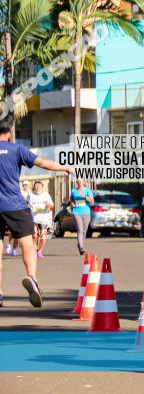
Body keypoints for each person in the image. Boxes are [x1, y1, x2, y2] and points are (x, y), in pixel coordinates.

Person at [0, 117, 74, 307]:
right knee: (28, 243)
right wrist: (65, 167)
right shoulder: (17, 149)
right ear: (10, 131)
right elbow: (45, 164)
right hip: (14, 206)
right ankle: (32, 277)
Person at [28, 180, 54, 259]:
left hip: (44, 218)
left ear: (42, 187)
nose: (38, 187)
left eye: (39, 185)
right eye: (36, 185)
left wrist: (48, 205)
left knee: (43, 236)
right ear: (34, 186)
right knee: (34, 235)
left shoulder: (46, 195)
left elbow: (52, 205)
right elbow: (25, 203)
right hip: (33, 218)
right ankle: (35, 247)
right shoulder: (30, 194)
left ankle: (40, 251)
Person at [70, 179, 94, 256]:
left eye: (81, 181)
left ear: (83, 182)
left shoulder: (87, 190)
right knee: (80, 230)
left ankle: (80, 244)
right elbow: (71, 199)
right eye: (78, 181)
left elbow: (92, 201)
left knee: (84, 230)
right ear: (76, 183)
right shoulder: (73, 191)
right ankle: (81, 247)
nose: (79, 183)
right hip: (76, 212)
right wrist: (72, 203)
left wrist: (85, 196)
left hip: (86, 212)